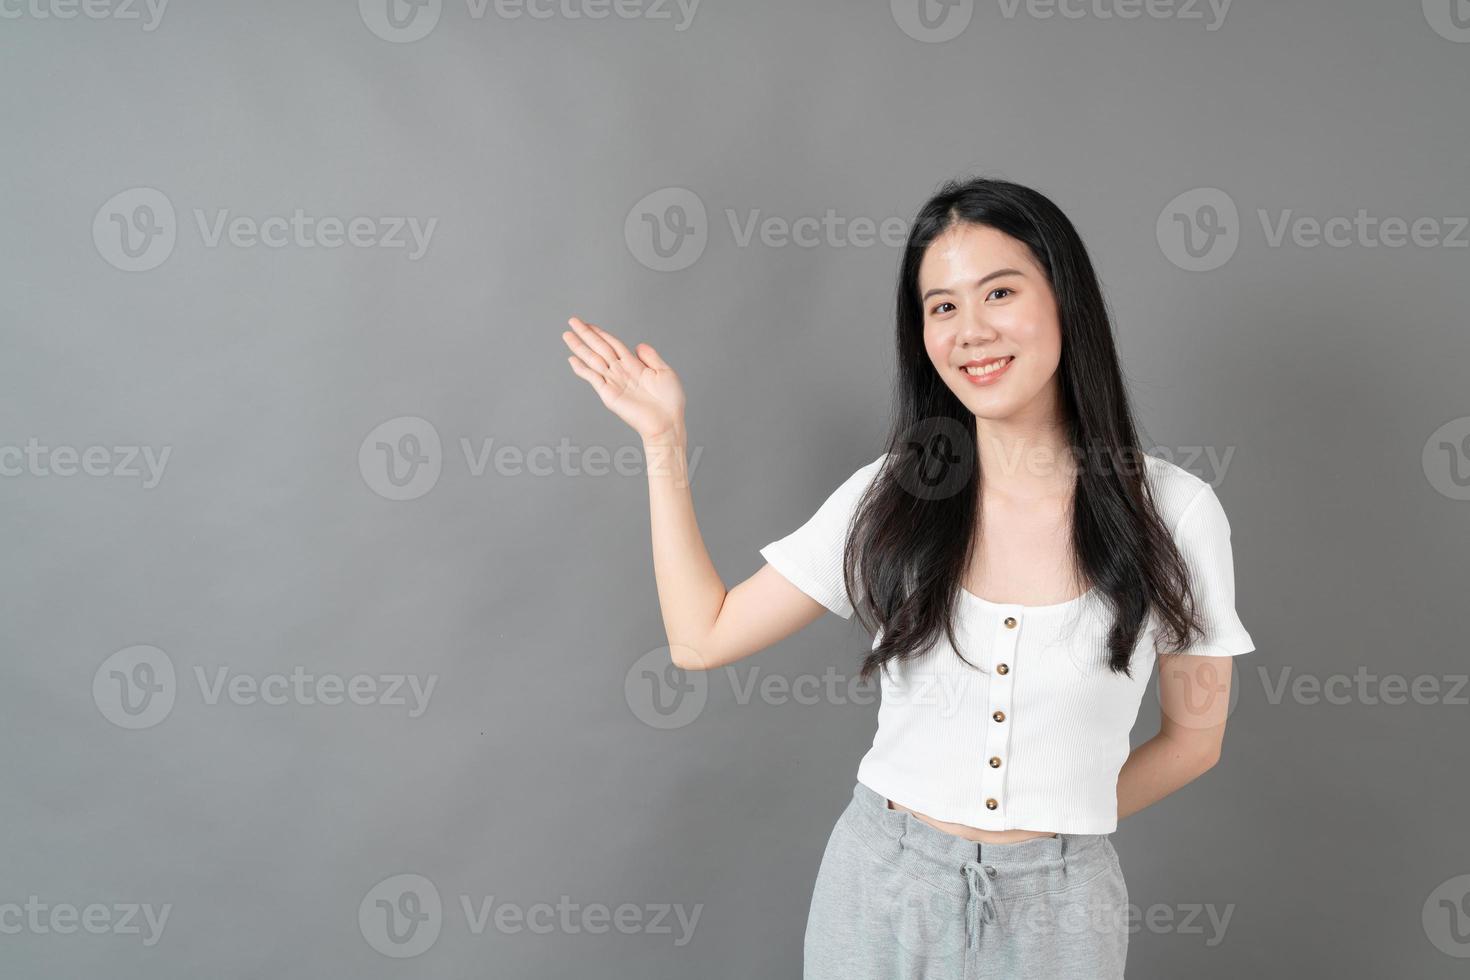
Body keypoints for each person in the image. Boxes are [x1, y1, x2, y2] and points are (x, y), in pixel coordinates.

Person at [561, 175, 1256, 979]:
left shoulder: (1177, 511)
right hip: (878, 889)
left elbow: (1194, 741)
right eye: (943, 307)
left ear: (1066, 300)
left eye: (1000, 292)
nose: (971, 331)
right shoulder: (892, 496)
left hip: (1064, 914)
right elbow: (699, 636)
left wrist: (1053, 835)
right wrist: (663, 441)